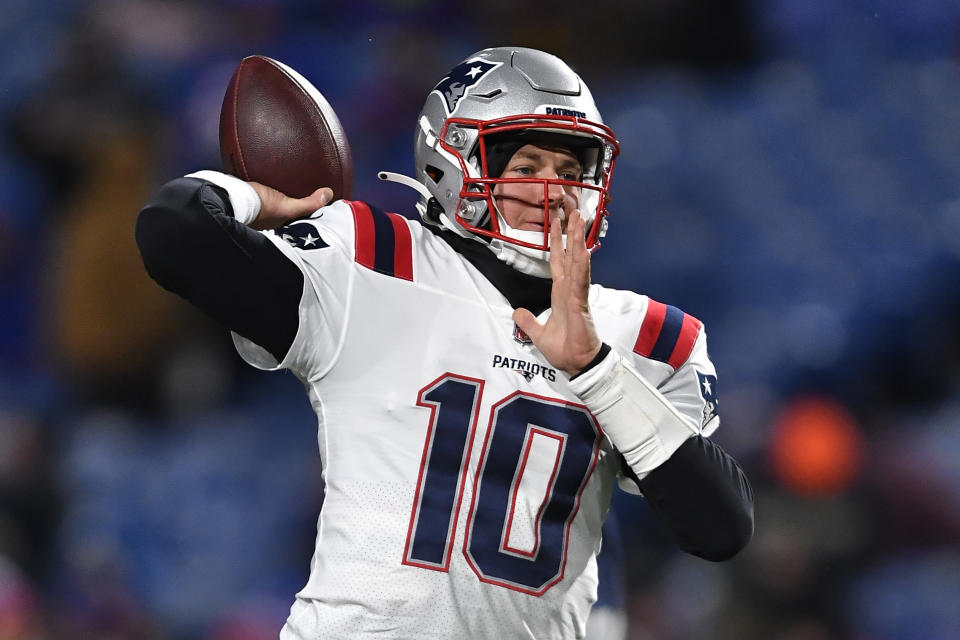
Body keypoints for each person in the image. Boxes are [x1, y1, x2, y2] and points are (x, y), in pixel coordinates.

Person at [136, 47, 753, 639]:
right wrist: (259, 198)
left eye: (571, 171)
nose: (554, 192)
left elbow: (720, 529)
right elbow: (173, 232)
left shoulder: (644, 335)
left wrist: (595, 368)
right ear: (451, 163)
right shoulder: (373, 260)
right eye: (527, 167)